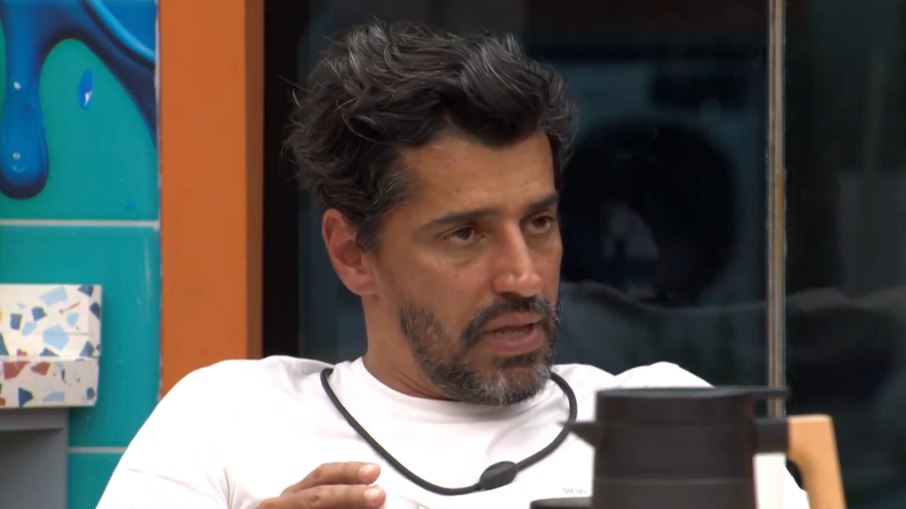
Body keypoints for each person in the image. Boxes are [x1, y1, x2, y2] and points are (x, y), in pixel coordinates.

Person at [97, 21, 808, 509]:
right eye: (466, 234)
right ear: (351, 253)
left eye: (539, 222)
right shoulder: (228, 420)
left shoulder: (666, 420)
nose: (523, 277)